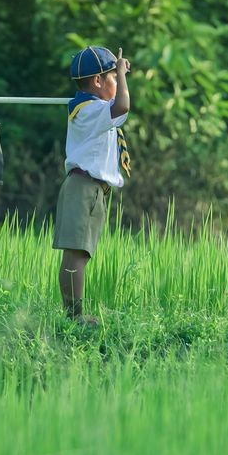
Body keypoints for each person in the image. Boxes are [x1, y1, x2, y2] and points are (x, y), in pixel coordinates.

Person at [53, 45, 131, 326]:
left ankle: (73, 314)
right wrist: (122, 73)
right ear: (98, 81)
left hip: (90, 188)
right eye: (111, 76)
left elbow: (118, 107)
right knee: (76, 252)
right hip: (84, 187)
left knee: (80, 252)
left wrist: (120, 74)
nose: (117, 81)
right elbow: (123, 105)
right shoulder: (88, 110)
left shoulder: (96, 109)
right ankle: (75, 317)